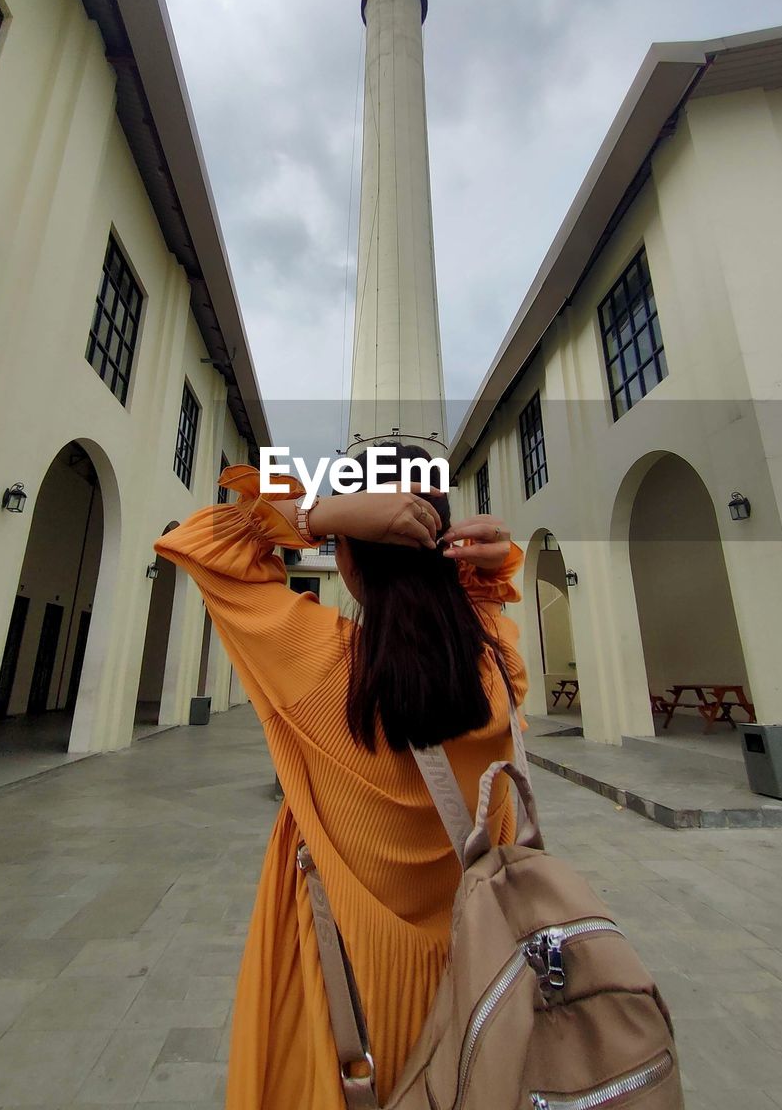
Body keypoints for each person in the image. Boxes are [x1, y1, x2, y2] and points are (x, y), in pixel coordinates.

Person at [153, 444, 528, 1110]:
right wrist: (480, 570)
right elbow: (479, 621)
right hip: (476, 992)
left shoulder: (318, 665)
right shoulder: (496, 672)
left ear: (348, 556)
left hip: (342, 1005)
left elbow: (200, 540)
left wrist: (319, 514)